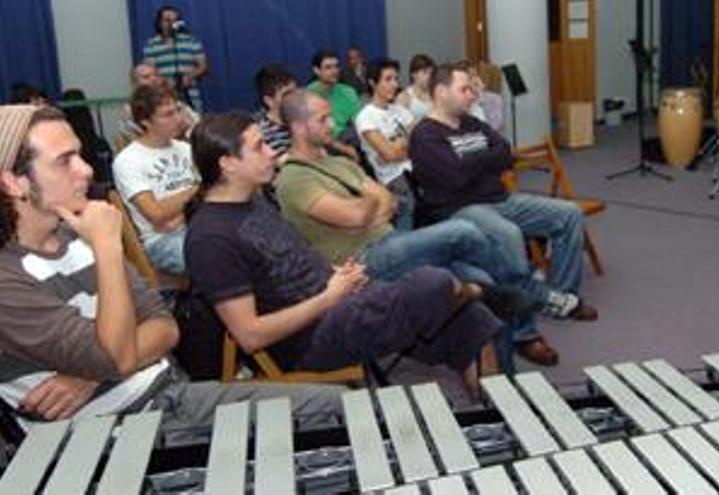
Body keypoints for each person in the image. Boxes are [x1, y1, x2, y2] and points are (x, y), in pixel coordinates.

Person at [0, 104, 342, 436]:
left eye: (79, 154)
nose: (86, 170)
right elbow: (115, 357)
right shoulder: (13, 276)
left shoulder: (80, 235)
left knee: (338, 406)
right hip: (107, 435)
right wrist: (107, 249)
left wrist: (91, 374)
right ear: (14, 183)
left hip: (168, 397)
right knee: (333, 416)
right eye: (64, 161)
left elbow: (164, 326)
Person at [184, 112, 502, 394]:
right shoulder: (210, 239)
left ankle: (496, 411)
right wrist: (329, 297)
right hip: (310, 338)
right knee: (434, 283)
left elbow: (289, 262)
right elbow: (250, 335)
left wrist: (336, 272)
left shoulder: (252, 201)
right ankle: (473, 291)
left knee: (470, 318)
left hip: (339, 300)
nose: (271, 152)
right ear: (227, 163)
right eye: (258, 147)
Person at [276, 89, 576, 368]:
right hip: (362, 262)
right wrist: (369, 203)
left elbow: (389, 200)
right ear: (299, 127)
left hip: (391, 242)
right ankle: (539, 294)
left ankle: (507, 383)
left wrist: (368, 208)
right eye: (322, 119)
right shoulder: (293, 179)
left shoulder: (339, 163)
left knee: (484, 283)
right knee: (462, 231)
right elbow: (357, 215)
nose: (332, 124)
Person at [410, 62, 598, 321]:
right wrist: (484, 158)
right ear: (441, 91)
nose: (471, 94)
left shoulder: (471, 121)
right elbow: (455, 177)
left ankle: (563, 298)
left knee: (569, 214)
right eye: (464, 89)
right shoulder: (424, 135)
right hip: (461, 209)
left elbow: (505, 154)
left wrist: (471, 160)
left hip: (500, 199)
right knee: (508, 235)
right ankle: (529, 319)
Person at [112, 84, 199, 274]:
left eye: (177, 110)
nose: (178, 119)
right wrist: (195, 190)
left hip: (196, 226)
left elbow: (211, 194)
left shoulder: (186, 149)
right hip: (161, 242)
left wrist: (178, 213)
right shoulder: (128, 160)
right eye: (168, 114)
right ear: (145, 122)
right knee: (216, 256)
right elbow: (156, 213)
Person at [355, 58, 416, 230]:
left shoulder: (400, 110)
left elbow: (422, 142)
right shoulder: (366, 116)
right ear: (373, 83)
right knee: (410, 200)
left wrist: (397, 146)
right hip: (393, 177)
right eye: (388, 79)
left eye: (396, 79)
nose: (395, 84)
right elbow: (388, 156)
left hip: (415, 167)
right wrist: (404, 143)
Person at [142, 5, 209, 112]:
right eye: (167, 20)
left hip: (190, 96)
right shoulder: (151, 45)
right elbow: (149, 71)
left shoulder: (191, 41)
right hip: (164, 96)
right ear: (159, 23)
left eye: (175, 20)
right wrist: (165, 81)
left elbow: (203, 66)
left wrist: (190, 76)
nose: (171, 24)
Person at [117, 64, 199, 146]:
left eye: (156, 75)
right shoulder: (130, 111)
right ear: (135, 84)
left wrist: (188, 130)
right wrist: (176, 133)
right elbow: (139, 140)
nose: (153, 79)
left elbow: (198, 127)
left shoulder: (176, 104)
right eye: (146, 77)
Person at [307, 49, 361, 140]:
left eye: (336, 66)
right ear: (317, 70)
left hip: (347, 138)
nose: (334, 71)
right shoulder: (308, 94)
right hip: (320, 141)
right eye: (328, 67)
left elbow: (359, 123)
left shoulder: (348, 92)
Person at [253, 64, 298, 156]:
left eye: (295, 92)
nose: (294, 98)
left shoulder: (302, 117)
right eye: (286, 94)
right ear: (269, 101)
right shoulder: (262, 133)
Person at [396, 54, 435, 121]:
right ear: (413, 74)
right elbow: (400, 125)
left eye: (431, 73)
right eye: (425, 72)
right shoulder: (404, 97)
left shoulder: (435, 94)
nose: (429, 76)